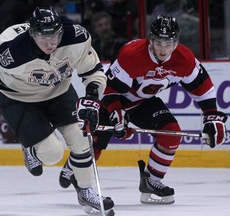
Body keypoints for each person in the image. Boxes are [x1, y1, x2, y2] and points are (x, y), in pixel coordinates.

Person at [0, 6, 114, 214]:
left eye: (55, 35)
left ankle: (86, 190)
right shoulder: (11, 51)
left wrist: (91, 98)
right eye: (44, 37)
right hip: (18, 98)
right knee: (52, 154)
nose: (51, 43)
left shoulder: (76, 39)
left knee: (82, 140)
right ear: (32, 33)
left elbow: (94, 71)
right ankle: (30, 146)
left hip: (59, 91)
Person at [59, 15, 228, 204]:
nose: (163, 49)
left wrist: (212, 116)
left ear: (176, 41)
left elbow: (202, 88)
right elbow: (110, 89)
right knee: (95, 145)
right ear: (151, 40)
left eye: (168, 43)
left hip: (143, 102)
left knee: (171, 134)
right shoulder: (132, 54)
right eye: (158, 42)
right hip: (112, 102)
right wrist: (116, 112)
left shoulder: (185, 59)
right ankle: (78, 172)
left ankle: (151, 180)